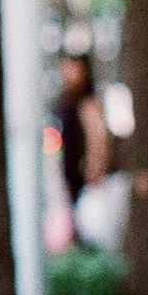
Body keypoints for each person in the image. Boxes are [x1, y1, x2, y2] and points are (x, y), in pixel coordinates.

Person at [54, 54, 111, 218]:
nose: (68, 73)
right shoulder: (66, 103)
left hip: (85, 181)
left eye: (74, 68)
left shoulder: (87, 103)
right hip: (71, 178)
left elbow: (98, 138)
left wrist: (94, 168)